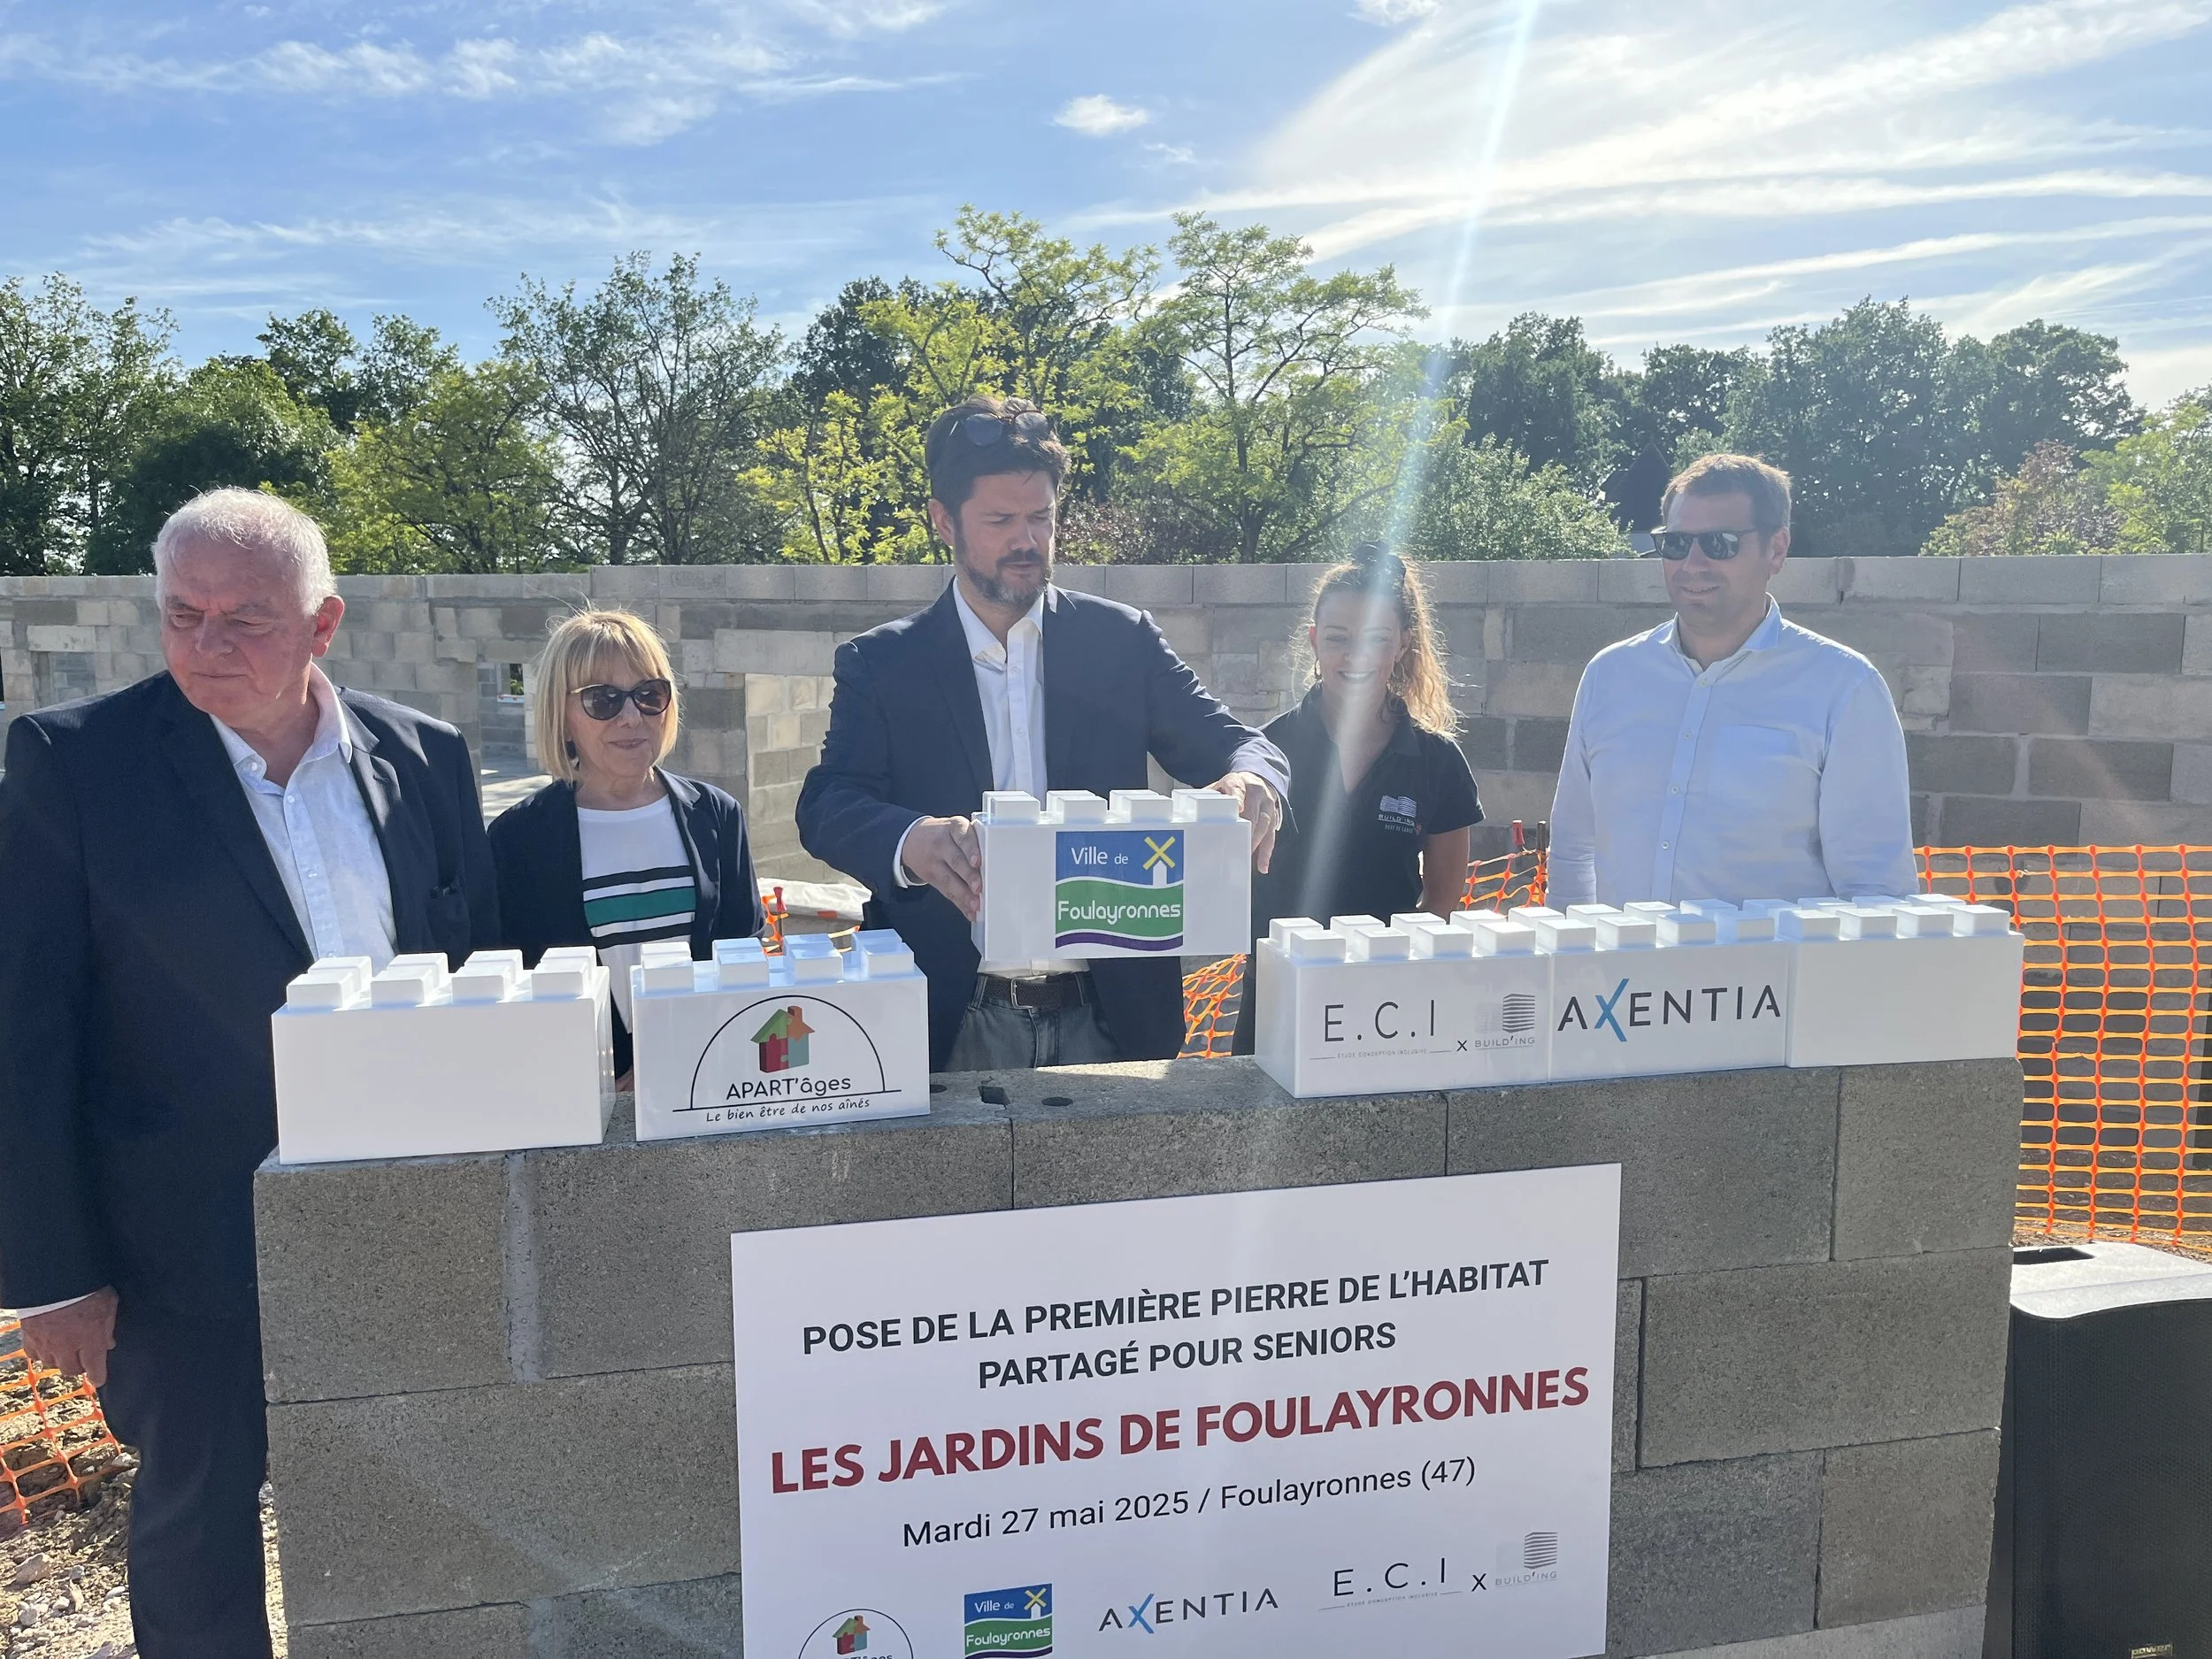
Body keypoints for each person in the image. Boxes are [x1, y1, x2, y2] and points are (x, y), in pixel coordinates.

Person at [0, 488, 499, 1658]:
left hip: (403, 1215)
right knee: (201, 1521)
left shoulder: (426, 759)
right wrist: (53, 1271)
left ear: (324, 625)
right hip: (180, 1240)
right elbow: (27, 1027)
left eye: (245, 621)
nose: (207, 647)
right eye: (183, 615)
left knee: (424, 1491)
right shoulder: (76, 763)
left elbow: (484, 976)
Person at [796, 394, 1290, 1071]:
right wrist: (914, 840)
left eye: (1041, 518)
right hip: (946, 1023)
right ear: (944, 521)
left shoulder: (1121, 641)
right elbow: (827, 805)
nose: (1027, 541)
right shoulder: (881, 664)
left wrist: (1254, 778)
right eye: (1000, 520)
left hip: (1114, 1020)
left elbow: (1239, 740)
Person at [1548, 453, 1916, 907]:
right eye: (1677, 543)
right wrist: (1570, 969)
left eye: (1719, 543)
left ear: (1776, 550)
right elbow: (1573, 850)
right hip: (1622, 978)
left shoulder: (1844, 688)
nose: (1693, 563)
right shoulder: (1609, 676)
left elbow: (1874, 888)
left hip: (1772, 979)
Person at [488, 609, 763, 1079]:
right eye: (602, 700)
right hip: (577, 1095)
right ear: (562, 714)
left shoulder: (715, 816)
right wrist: (614, 1072)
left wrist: (675, 1059)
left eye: (648, 694)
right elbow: (510, 985)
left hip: (705, 1081)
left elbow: (742, 954)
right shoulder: (517, 839)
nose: (631, 716)